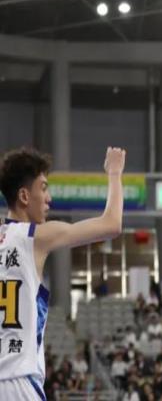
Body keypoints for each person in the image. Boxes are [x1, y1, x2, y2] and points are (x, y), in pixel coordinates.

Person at [0, 146, 125, 400]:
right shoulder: (33, 236)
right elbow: (111, 224)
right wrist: (114, 173)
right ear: (24, 196)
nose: (49, 198)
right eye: (44, 188)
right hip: (17, 382)